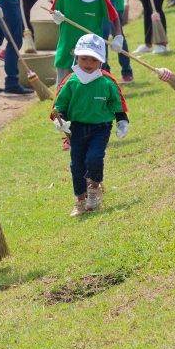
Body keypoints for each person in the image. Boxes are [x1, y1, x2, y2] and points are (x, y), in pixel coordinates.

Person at [50, 35, 129, 217]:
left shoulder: (107, 82)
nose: (88, 63)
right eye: (84, 58)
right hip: (77, 128)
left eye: (94, 59)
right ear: (76, 57)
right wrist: (59, 120)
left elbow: (117, 104)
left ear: (101, 60)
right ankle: (80, 200)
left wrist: (122, 121)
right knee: (76, 165)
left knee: (94, 158)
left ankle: (94, 189)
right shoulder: (71, 81)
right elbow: (59, 106)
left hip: (101, 128)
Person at [51, 0, 123, 86]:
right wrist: (56, 17)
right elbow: (54, 12)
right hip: (67, 50)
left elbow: (114, 17)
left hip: (91, 53)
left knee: (90, 91)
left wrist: (118, 37)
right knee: (63, 92)